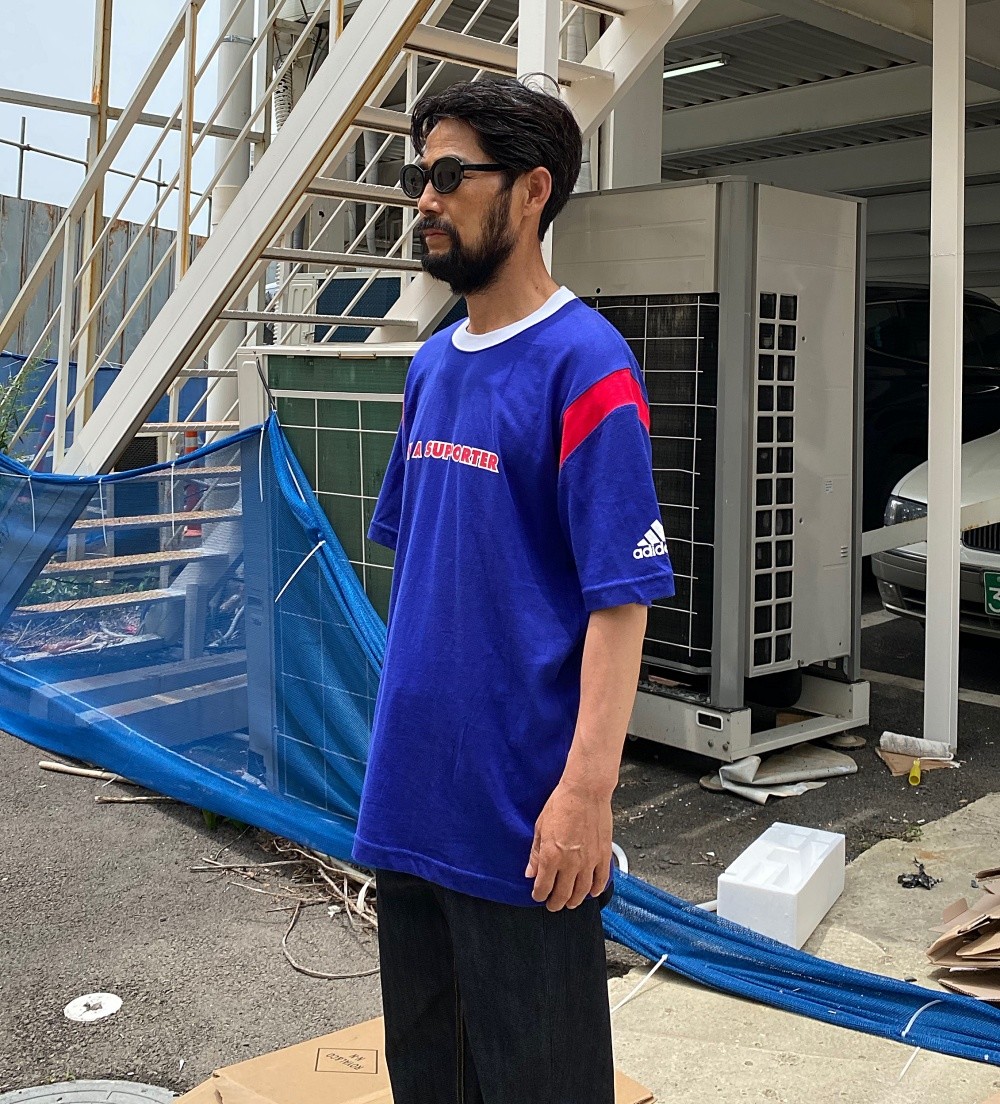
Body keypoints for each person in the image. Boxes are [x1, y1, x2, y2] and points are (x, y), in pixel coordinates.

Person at [352, 76, 675, 1104]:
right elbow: (423, 573)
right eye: (418, 176)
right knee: (429, 1082)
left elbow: (619, 601)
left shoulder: (587, 366)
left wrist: (586, 796)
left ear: (532, 191)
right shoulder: (430, 368)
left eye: (451, 175)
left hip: (526, 821)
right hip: (410, 802)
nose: (425, 198)